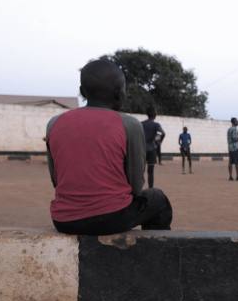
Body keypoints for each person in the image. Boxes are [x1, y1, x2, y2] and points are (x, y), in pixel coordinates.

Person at [45, 59, 172, 235]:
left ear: (82, 92)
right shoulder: (129, 124)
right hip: (111, 218)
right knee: (157, 199)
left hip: (64, 221)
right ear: (121, 93)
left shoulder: (54, 123)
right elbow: (135, 185)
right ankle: (155, 256)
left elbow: (56, 180)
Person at [141, 106, 165, 188]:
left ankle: (139, 188)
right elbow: (162, 133)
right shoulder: (156, 125)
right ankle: (150, 189)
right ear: (155, 114)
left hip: (142, 149)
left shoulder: (141, 124)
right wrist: (158, 142)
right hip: (152, 149)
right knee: (150, 171)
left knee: (141, 170)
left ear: (147, 114)